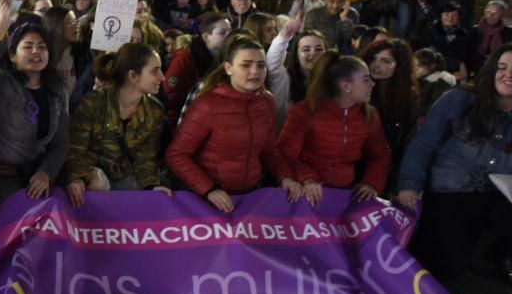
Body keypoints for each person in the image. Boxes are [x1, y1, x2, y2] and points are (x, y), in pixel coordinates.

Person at [398, 43, 512, 284]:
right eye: (502, 67)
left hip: (501, 196)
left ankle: (496, 252)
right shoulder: (459, 100)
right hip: (450, 193)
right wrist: (409, 185)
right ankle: (462, 252)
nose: (509, 74)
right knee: (445, 270)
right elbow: (424, 144)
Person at [166, 37, 297, 212]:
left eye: (261, 65)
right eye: (246, 65)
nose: (255, 71)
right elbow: (177, 154)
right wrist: (209, 189)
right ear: (228, 68)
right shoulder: (207, 104)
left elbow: (269, 149)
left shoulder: (267, 102)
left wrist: (285, 176)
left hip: (250, 196)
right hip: (207, 200)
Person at [0, 0, 69, 220]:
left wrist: (46, 172)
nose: (36, 52)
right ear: (12, 56)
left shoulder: (56, 90)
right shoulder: (0, 82)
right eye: (28, 46)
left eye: (42, 47)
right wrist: (2, 22)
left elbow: (60, 143)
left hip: (34, 178)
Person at [277, 53, 391, 205]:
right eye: (365, 80)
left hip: (345, 195)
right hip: (307, 195)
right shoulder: (304, 112)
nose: (373, 83)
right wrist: (308, 178)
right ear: (346, 86)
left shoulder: (369, 114)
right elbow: (285, 153)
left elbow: (381, 155)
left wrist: (371, 182)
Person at [66, 43, 171, 205]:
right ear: (133, 76)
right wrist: (77, 177)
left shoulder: (154, 110)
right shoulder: (94, 103)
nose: (162, 77)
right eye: (154, 71)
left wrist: (151, 187)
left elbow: (146, 157)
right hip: (91, 175)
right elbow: (76, 149)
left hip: (124, 176)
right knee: (98, 183)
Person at [361, 38, 420, 184]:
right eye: (373, 59)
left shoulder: (408, 96)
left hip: (388, 168)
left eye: (386, 61)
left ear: (399, 66)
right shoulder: (357, 88)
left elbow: (407, 140)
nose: (376, 65)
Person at [163, 12, 230, 129]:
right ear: (206, 37)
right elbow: (170, 100)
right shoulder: (185, 58)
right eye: (222, 33)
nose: (229, 36)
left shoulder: (226, 57)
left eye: (230, 31)